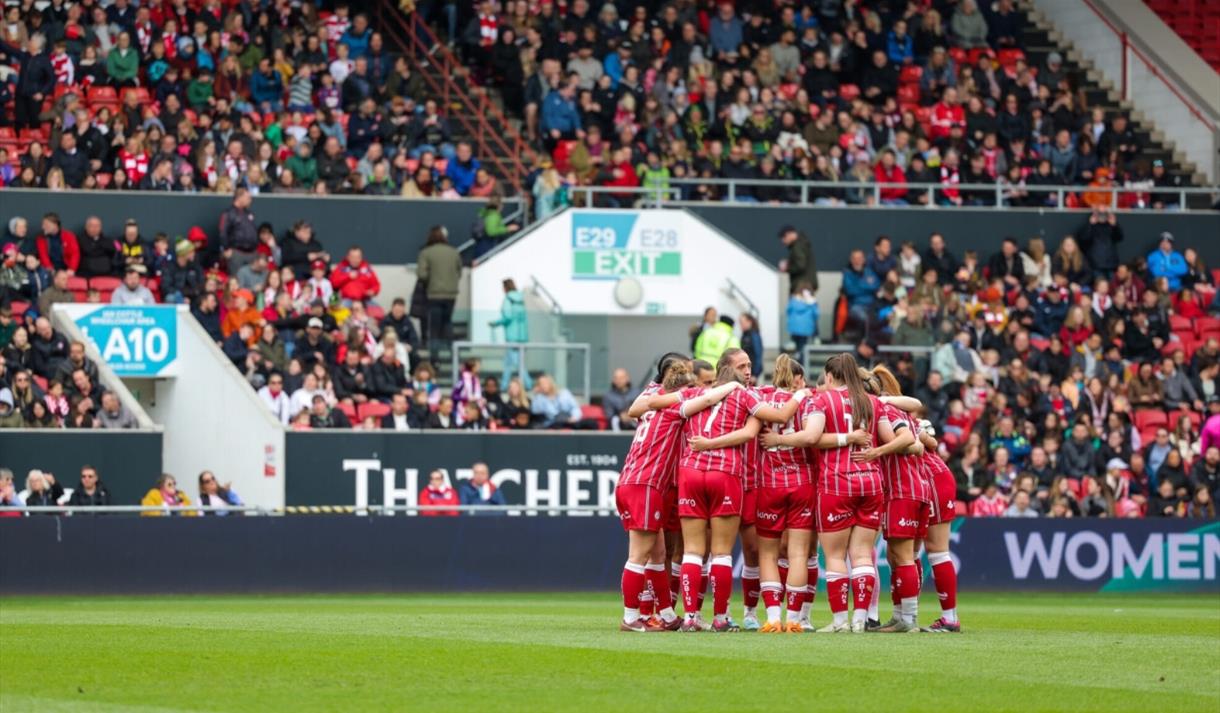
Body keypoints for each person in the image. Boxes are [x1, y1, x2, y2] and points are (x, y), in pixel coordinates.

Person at [763, 353, 914, 633]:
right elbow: (892, 440)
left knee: (834, 556)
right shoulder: (872, 402)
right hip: (871, 481)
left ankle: (840, 621)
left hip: (837, 482)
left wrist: (778, 439)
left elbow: (811, 438)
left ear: (830, 377)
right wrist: (875, 452)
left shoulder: (822, 400)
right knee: (862, 555)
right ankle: (861, 619)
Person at [676, 348, 811, 632]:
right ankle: (712, 615)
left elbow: (652, 404)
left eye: (750, 365)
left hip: (732, 480)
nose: (748, 370)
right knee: (715, 552)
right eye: (742, 365)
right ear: (726, 368)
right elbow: (761, 425)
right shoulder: (743, 396)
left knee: (748, 551)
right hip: (728, 476)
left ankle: (740, 613)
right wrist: (802, 392)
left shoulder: (698, 397)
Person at [614, 359, 745, 632]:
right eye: (690, 388)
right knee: (638, 555)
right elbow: (708, 399)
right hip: (645, 484)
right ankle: (630, 617)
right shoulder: (674, 410)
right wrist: (732, 384)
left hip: (630, 482)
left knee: (658, 552)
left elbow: (639, 405)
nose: (694, 391)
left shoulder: (650, 407)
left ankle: (667, 614)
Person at [416, 225, 462, 357]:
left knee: (434, 327)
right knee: (447, 322)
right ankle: (451, 354)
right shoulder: (454, 252)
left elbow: (422, 275)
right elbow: (459, 272)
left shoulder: (426, 252)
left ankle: (434, 358)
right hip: (451, 294)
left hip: (434, 294)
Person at [489, 278, 529, 388]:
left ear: (505, 287)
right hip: (522, 336)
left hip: (512, 336)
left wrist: (495, 323)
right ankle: (503, 385)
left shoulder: (507, 299)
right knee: (509, 362)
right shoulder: (521, 300)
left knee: (516, 362)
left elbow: (507, 317)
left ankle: (528, 383)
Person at [219, 188, 259, 274]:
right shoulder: (228, 213)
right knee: (236, 279)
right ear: (239, 197)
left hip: (252, 253)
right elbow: (223, 232)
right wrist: (226, 249)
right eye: (247, 197)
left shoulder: (249, 213)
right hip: (237, 253)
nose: (250, 200)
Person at [778, 226, 817, 292]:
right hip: (805, 286)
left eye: (784, 237)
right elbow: (801, 262)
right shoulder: (801, 244)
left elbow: (800, 265)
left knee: (799, 302)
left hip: (802, 287)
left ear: (789, 234)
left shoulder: (798, 246)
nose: (783, 241)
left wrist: (787, 268)